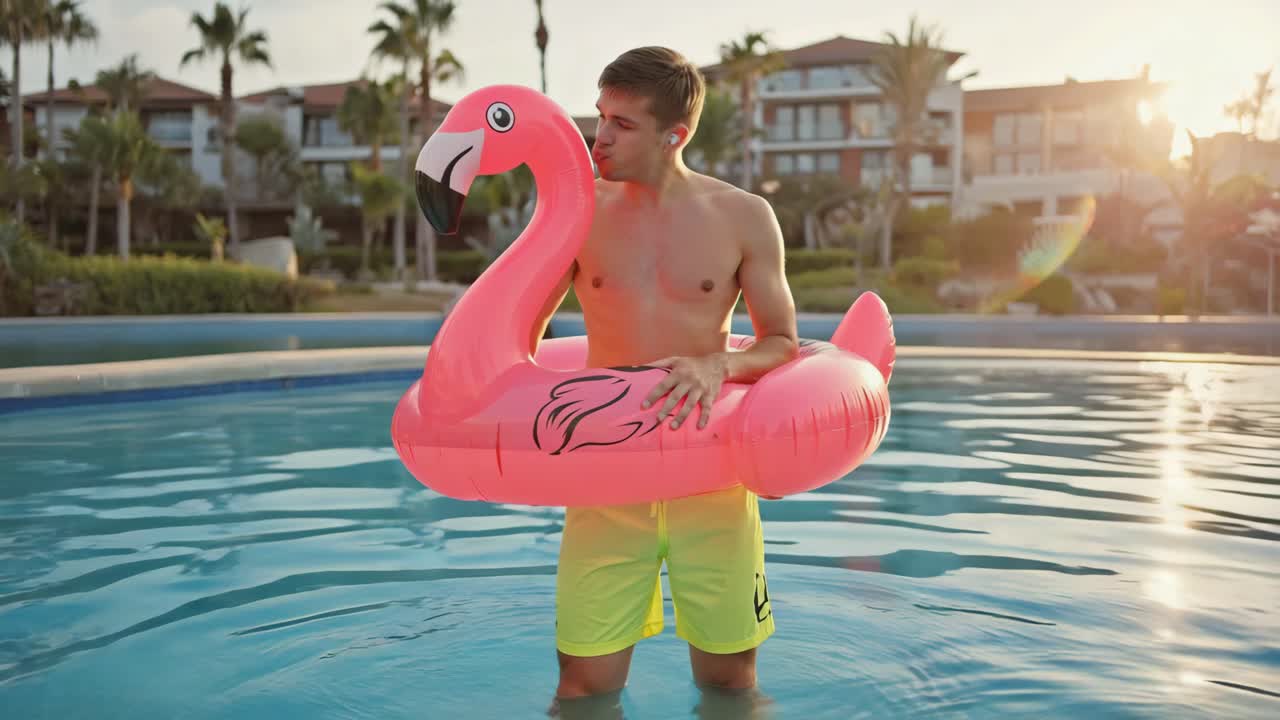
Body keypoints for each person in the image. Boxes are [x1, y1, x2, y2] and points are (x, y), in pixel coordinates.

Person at [535, 46, 799, 716]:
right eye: (600, 116)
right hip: (604, 476)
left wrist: (721, 364)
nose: (599, 136)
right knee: (582, 686)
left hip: (708, 475)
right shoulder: (577, 214)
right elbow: (520, 338)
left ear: (673, 135)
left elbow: (781, 343)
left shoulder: (742, 217)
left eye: (621, 123)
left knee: (729, 682)